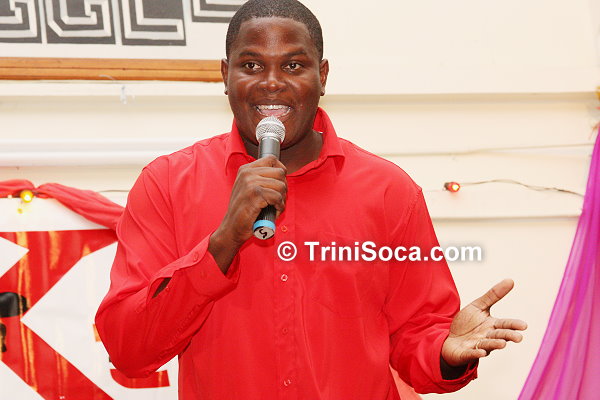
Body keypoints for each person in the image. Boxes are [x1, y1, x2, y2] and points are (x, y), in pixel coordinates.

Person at [95, 0, 527, 399]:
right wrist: (222, 243)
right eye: (251, 65)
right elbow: (129, 351)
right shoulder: (167, 185)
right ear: (225, 75)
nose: (271, 83)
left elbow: (417, 335)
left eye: (293, 65)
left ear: (322, 76)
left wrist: (445, 354)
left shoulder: (389, 191)